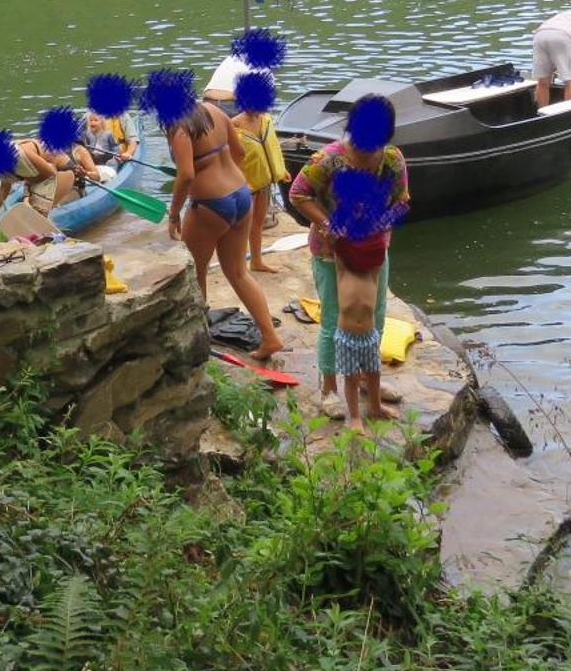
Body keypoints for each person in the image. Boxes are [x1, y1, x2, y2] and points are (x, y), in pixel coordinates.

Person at [284, 93, 409, 428]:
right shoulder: (327, 160)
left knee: (375, 315)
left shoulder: (392, 159)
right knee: (333, 320)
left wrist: (379, 225)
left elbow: (401, 201)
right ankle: (328, 389)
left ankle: (372, 384)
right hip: (331, 252)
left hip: (373, 250)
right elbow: (298, 194)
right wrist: (329, 225)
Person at [157, 72, 285, 363]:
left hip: (210, 204)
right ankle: (270, 337)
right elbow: (239, 153)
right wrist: (227, 177)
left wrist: (175, 213)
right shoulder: (214, 110)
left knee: (197, 272)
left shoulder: (179, 127)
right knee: (239, 271)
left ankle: (201, 341)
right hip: (241, 195)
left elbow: (186, 174)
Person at [232, 72, 288, 274]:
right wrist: (239, 184)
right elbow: (231, 158)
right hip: (245, 185)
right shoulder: (234, 125)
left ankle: (256, 260)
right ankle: (238, 264)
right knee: (241, 226)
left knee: (257, 224)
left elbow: (273, 147)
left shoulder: (265, 119)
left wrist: (281, 170)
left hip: (264, 183)